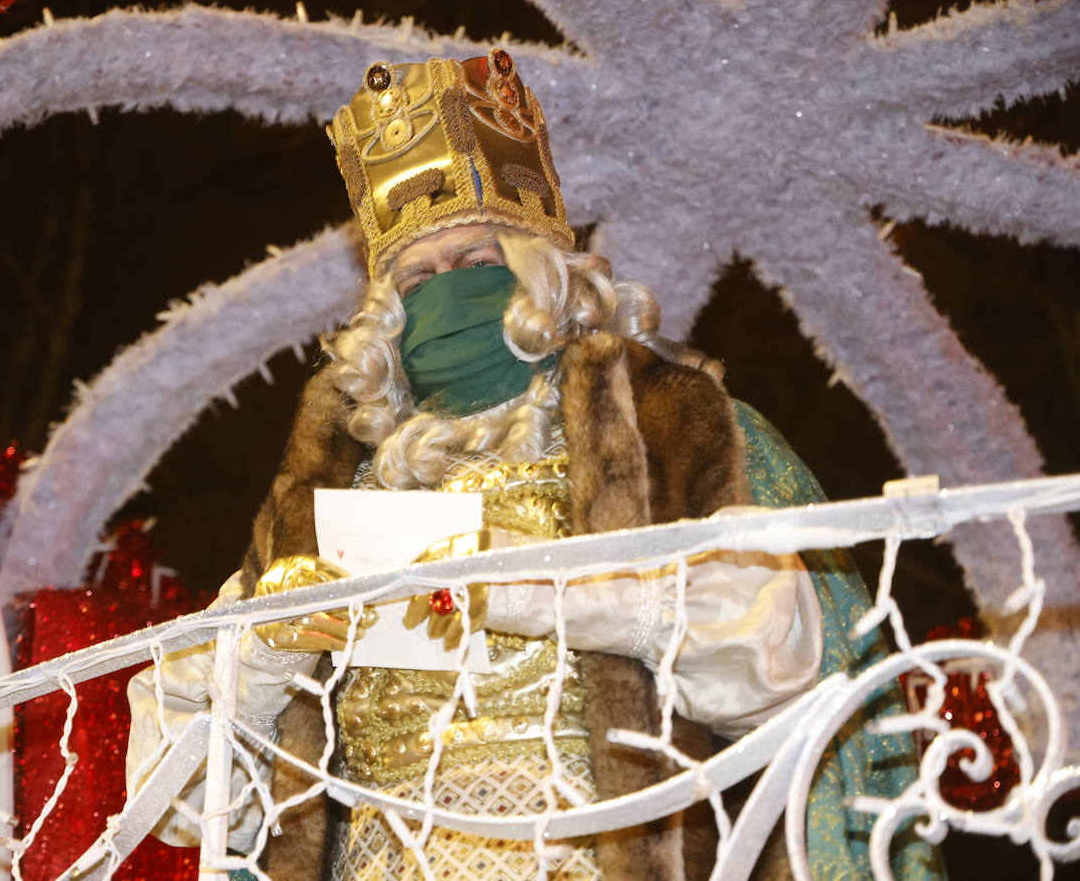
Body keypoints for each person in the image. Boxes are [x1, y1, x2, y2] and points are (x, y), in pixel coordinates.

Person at [128, 50, 939, 880]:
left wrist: (534, 587)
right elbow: (179, 796)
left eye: (477, 264)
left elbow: (776, 654)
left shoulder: (660, 437)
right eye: (419, 278)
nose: (447, 293)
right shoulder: (336, 498)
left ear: (542, 277)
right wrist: (264, 651)